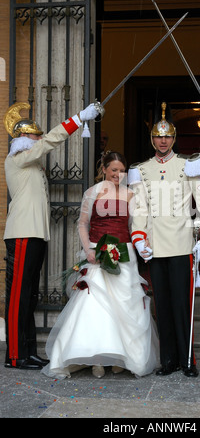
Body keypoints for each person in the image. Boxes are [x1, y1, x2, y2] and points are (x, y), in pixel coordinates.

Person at [3, 100, 104, 370]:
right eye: (34, 135)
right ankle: (15, 355)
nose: (38, 139)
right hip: (23, 234)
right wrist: (78, 119)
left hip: (34, 234)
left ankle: (27, 351)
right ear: (22, 138)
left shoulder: (32, 164)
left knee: (30, 296)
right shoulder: (18, 158)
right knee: (18, 297)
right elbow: (48, 143)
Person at [42, 151, 160, 379]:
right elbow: (83, 224)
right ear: (104, 169)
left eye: (122, 170)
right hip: (96, 251)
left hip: (124, 252)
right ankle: (96, 358)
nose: (118, 174)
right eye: (114, 169)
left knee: (127, 304)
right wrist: (89, 250)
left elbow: (137, 225)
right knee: (93, 305)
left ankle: (122, 358)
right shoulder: (92, 193)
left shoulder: (131, 195)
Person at [128, 102, 200, 378]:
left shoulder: (188, 164)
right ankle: (168, 360)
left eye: (167, 136)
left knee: (182, 305)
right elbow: (139, 208)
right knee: (162, 306)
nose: (162, 140)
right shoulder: (141, 169)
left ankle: (188, 360)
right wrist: (139, 238)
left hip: (181, 245)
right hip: (155, 247)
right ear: (152, 139)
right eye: (158, 136)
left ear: (173, 139)